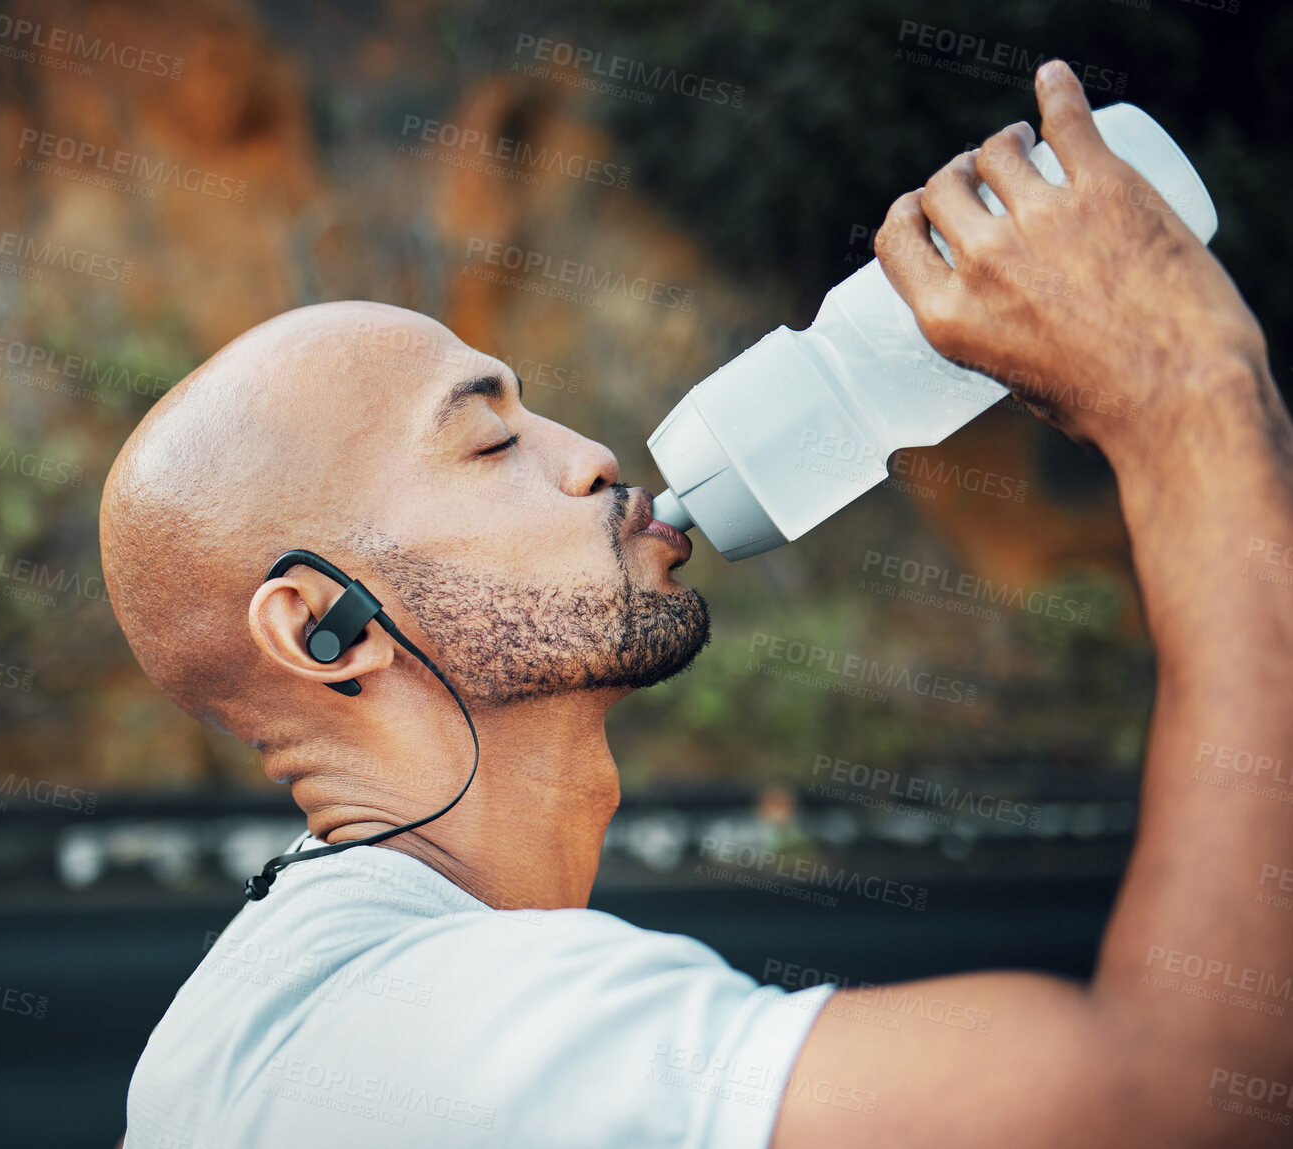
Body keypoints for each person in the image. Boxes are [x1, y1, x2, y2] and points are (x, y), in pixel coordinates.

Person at [103, 60, 1293, 1148]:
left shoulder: (295, 1008)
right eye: (485, 443)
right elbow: (1177, 1101)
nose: (589, 458)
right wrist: (1187, 396)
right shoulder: (417, 1029)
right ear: (326, 629)